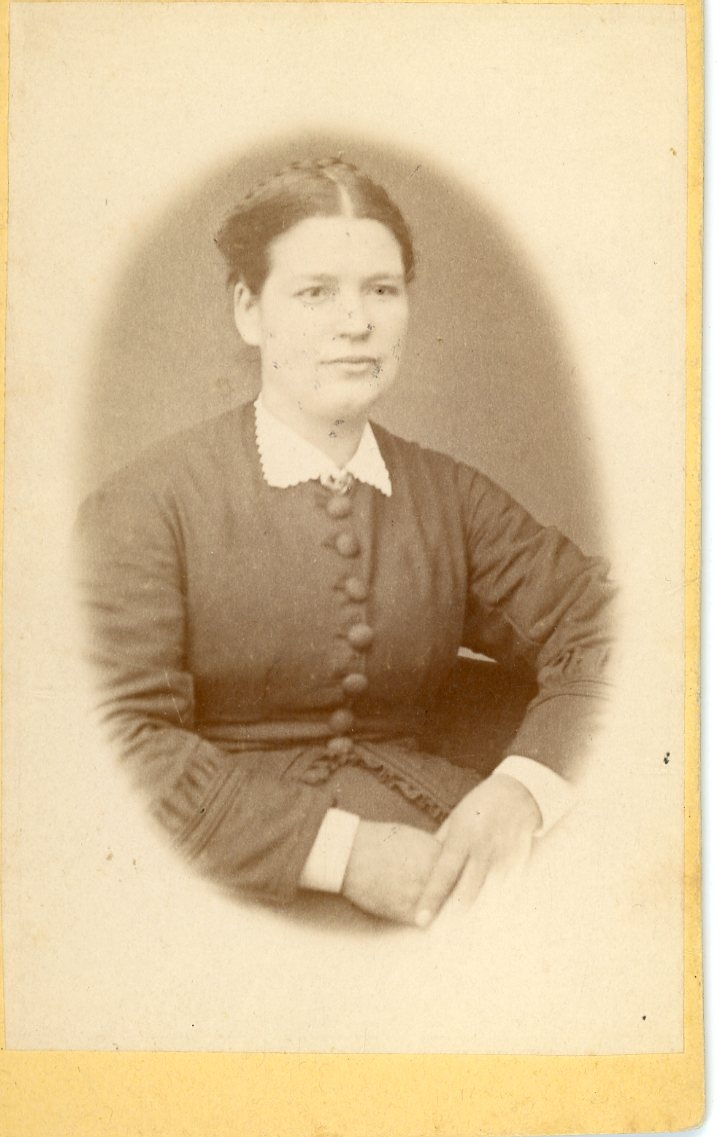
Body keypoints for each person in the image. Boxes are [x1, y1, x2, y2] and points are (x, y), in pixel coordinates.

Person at [75, 157, 614, 928]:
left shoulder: (447, 495)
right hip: (230, 882)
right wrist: (344, 854)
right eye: (315, 292)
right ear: (249, 311)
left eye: (381, 290)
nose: (355, 322)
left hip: (442, 844)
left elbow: (606, 626)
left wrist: (521, 788)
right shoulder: (145, 506)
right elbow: (114, 740)